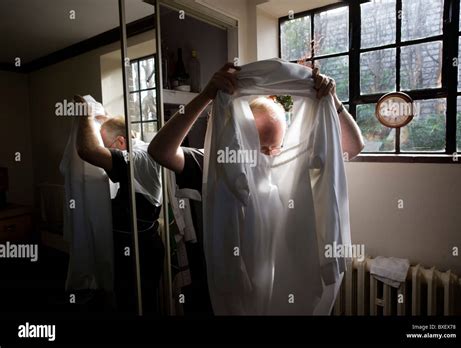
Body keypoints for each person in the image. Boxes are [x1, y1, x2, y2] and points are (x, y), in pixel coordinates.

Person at [147, 62, 365, 313]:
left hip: (278, 295)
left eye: (277, 146)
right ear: (240, 137)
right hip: (223, 295)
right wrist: (206, 95)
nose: (271, 156)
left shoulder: (288, 165)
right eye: (262, 148)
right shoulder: (215, 163)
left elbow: (352, 148)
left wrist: (333, 101)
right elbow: (159, 150)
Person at [75, 97, 164, 314]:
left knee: (136, 304)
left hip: (139, 250)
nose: (107, 154)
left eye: (108, 148)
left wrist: (85, 115)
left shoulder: (137, 158)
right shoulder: (142, 148)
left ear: (122, 142)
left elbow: (87, 150)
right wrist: (102, 120)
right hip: (138, 245)